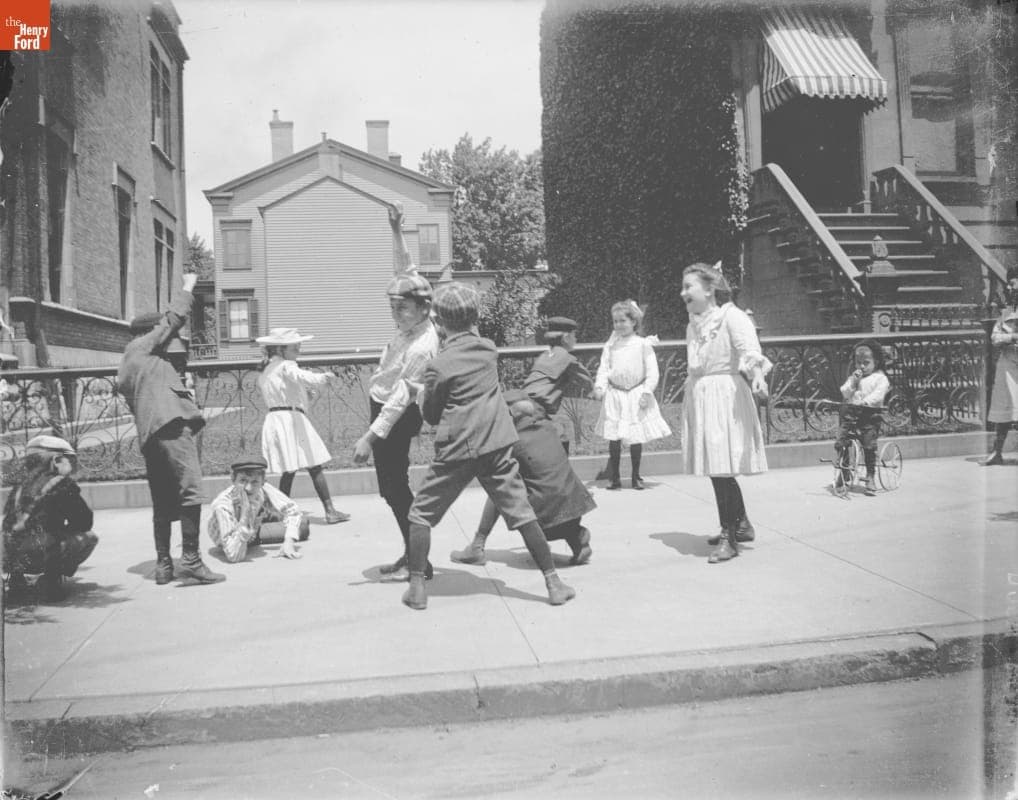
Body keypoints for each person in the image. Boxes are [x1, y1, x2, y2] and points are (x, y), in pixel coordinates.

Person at [400, 281, 575, 610]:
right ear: (475, 316)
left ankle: (417, 588)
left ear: (438, 322)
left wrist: (419, 392)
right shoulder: (488, 350)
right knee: (522, 513)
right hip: (496, 445)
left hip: (456, 449)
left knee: (420, 515)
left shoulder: (438, 365)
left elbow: (433, 414)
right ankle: (553, 583)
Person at [118, 272, 224, 586]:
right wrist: (188, 285)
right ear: (149, 333)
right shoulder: (144, 347)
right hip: (172, 429)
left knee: (162, 499)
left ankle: (164, 565)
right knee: (191, 490)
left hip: (150, 436)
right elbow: (174, 317)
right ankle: (190, 561)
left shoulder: (130, 365)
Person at [352, 268, 440, 581]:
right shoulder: (412, 326)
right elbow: (407, 269)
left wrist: (369, 438)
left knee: (395, 488)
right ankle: (412, 553)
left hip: (398, 415)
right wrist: (396, 230)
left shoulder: (422, 346)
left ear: (424, 309)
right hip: (386, 404)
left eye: (402, 308)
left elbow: (399, 402)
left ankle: (420, 563)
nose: (396, 314)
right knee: (392, 489)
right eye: (392, 308)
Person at [680, 263, 770, 564]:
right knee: (717, 467)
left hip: (724, 397)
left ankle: (729, 537)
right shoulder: (693, 324)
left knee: (721, 468)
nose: (683, 293)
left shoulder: (731, 316)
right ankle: (741, 524)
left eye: (688, 286)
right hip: (702, 395)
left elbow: (748, 350)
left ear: (709, 289)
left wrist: (757, 375)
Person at [451, 389, 596, 567]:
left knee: (499, 485)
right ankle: (576, 536)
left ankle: (477, 545)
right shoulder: (547, 426)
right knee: (543, 485)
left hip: (545, 522)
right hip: (576, 508)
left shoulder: (512, 440)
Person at [256, 328, 350, 524]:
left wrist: (303, 396)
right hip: (290, 420)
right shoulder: (286, 365)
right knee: (313, 464)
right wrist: (322, 378)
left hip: (278, 418)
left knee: (290, 469)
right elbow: (299, 375)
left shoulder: (267, 370)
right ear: (281, 349)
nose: (298, 348)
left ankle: (281, 511)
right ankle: (328, 510)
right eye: (294, 345)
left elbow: (283, 391)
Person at [3, 435, 99, 601]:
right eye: (68, 460)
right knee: (89, 537)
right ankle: (51, 580)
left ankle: (16, 582)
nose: (71, 465)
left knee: (16, 535)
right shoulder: (63, 484)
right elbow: (84, 521)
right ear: (56, 460)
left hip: (11, 555)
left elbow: (8, 523)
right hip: (43, 553)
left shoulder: (19, 485)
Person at [592, 299, 671, 489]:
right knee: (615, 437)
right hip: (615, 395)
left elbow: (652, 372)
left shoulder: (642, 344)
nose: (618, 325)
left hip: (635, 393)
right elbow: (604, 368)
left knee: (635, 436)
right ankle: (615, 477)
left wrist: (646, 392)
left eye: (623, 321)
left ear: (633, 322)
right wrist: (600, 386)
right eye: (615, 322)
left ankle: (636, 476)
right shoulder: (611, 345)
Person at [207, 455, 309, 563]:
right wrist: (245, 515)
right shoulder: (223, 505)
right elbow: (234, 555)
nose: (248, 488)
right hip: (242, 536)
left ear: (263, 481)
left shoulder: (262, 487)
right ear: (233, 479)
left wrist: (288, 543)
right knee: (302, 528)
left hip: (256, 521)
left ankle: (268, 515)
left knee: (301, 524)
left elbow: (293, 509)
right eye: (242, 481)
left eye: (254, 482)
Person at [521, 316, 592, 453]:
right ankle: (560, 471)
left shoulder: (544, 356)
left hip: (523, 403)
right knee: (561, 439)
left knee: (555, 434)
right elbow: (587, 383)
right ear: (566, 338)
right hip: (536, 410)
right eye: (574, 336)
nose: (576, 340)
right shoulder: (568, 359)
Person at [835, 339, 891, 494]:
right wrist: (853, 381)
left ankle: (870, 475)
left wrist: (865, 401)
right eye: (858, 362)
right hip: (852, 414)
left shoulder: (880, 378)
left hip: (869, 415)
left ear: (876, 362)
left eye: (866, 363)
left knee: (868, 445)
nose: (862, 366)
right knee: (842, 441)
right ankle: (844, 470)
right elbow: (845, 392)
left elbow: (878, 395)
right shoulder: (855, 376)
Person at [985, 302, 1018, 466]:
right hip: (1008, 365)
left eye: (1013, 284)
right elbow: (995, 337)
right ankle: (997, 451)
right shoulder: (1007, 313)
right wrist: (1011, 337)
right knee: (1005, 407)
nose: (1010, 288)